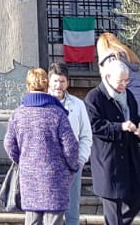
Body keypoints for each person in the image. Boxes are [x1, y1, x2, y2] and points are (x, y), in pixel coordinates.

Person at [4, 67, 79, 225]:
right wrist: (72, 167)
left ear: (27, 86)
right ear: (47, 86)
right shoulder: (57, 113)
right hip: (55, 177)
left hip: (29, 177)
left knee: (32, 220)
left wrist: (23, 161)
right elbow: (70, 147)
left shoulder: (18, 114)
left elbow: (9, 144)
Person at [86, 56, 140, 225]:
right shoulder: (94, 97)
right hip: (108, 161)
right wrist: (120, 127)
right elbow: (94, 126)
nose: (124, 84)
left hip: (129, 158)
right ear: (108, 77)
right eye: (120, 81)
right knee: (113, 210)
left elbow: (135, 118)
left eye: (127, 81)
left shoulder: (129, 95)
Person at [47, 63, 92, 225]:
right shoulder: (42, 104)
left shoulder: (78, 105)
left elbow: (86, 135)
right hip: (48, 166)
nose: (58, 85)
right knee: (50, 212)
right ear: (49, 81)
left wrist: (81, 160)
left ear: (67, 82)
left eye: (62, 81)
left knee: (72, 212)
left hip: (72, 165)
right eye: (55, 81)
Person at [96, 33, 140, 128]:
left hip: (128, 105)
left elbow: (110, 85)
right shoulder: (129, 55)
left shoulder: (111, 59)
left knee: (126, 134)